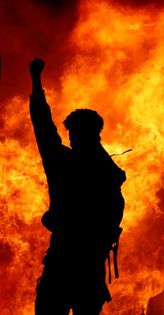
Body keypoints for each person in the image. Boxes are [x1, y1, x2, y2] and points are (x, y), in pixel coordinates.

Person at [29, 58, 126, 315]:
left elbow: (43, 127)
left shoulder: (65, 164)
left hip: (65, 268)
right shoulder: (108, 174)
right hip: (88, 272)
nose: (72, 140)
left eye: (74, 135)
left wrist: (36, 81)